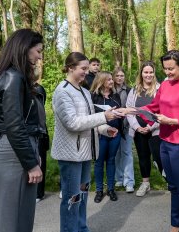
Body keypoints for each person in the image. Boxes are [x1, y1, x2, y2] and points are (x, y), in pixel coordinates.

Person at [125, 50, 179, 232]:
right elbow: (154, 106)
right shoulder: (165, 86)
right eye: (165, 69)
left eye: (171, 68)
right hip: (165, 142)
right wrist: (131, 110)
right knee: (173, 186)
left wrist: (171, 120)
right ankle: (176, 225)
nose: (167, 72)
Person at [51, 52, 119, 232]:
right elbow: (73, 123)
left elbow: (88, 120)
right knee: (72, 197)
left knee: (81, 195)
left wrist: (105, 128)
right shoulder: (62, 91)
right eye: (83, 68)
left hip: (85, 153)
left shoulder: (84, 91)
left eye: (87, 68)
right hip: (71, 155)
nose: (86, 72)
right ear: (70, 67)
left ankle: (81, 228)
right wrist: (104, 116)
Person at [0, 29, 44, 232]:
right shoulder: (13, 77)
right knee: (9, 224)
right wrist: (31, 163)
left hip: (20, 150)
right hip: (14, 154)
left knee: (22, 221)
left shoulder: (17, 77)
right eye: (37, 51)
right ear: (24, 48)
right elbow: (15, 126)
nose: (39, 56)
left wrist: (34, 155)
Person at [126, 61, 163, 197]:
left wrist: (150, 126)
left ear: (154, 73)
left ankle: (170, 181)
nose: (148, 75)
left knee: (159, 157)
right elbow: (130, 110)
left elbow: (162, 111)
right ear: (141, 74)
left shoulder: (160, 89)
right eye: (145, 72)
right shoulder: (134, 90)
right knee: (143, 157)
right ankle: (145, 183)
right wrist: (137, 127)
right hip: (139, 131)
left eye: (151, 72)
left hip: (155, 130)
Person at [91, 71, 122, 202]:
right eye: (109, 79)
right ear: (101, 81)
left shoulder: (115, 96)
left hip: (116, 134)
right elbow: (91, 116)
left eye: (111, 79)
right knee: (99, 162)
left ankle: (111, 189)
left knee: (111, 160)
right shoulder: (94, 97)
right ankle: (99, 190)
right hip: (100, 135)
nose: (111, 81)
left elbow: (121, 111)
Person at [112, 67, 134, 193]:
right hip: (114, 126)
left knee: (126, 153)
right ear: (114, 77)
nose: (120, 78)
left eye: (122, 75)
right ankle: (119, 178)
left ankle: (129, 181)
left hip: (126, 126)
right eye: (117, 76)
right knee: (116, 153)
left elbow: (131, 108)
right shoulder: (110, 90)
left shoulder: (129, 90)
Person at [34, 82, 50, 203]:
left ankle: (38, 193)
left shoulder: (39, 89)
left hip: (39, 130)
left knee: (40, 160)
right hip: (24, 130)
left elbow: (41, 111)